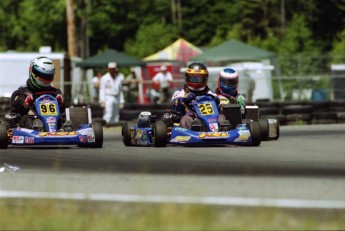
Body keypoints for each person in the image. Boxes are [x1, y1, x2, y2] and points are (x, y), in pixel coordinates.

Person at [8, 56, 65, 129]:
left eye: (48, 76)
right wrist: (25, 103)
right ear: (33, 72)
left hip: (53, 123)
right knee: (27, 118)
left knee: (65, 118)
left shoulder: (55, 92)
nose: (45, 79)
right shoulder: (22, 92)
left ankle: (65, 129)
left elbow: (62, 108)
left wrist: (61, 103)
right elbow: (16, 102)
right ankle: (37, 129)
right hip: (32, 123)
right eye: (43, 75)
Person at [170, 62, 225, 129]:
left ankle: (223, 131)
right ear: (187, 78)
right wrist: (184, 100)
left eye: (200, 79)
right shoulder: (180, 93)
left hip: (211, 120)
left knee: (221, 117)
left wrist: (217, 102)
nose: (197, 82)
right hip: (191, 119)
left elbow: (219, 109)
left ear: (205, 78)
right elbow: (174, 106)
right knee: (186, 119)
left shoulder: (211, 94)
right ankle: (190, 133)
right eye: (194, 79)